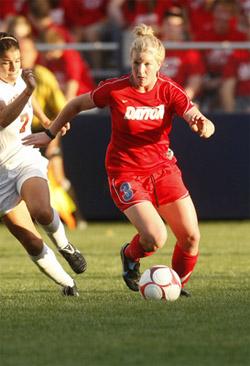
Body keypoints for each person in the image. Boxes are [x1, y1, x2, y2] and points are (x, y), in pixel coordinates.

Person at [23, 24, 215, 297]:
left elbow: (193, 114)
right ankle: (129, 254)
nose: (141, 70)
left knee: (191, 238)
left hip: (163, 170)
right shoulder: (116, 89)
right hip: (126, 172)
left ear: (159, 65)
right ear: (131, 62)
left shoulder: (169, 90)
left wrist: (203, 124)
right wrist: (50, 132)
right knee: (155, 238)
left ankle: (175, 286)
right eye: (136, 63)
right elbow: (76, 104)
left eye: (147, 64)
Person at [0, 32, 87, 296]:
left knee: (41, 210)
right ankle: (68, 284)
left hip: (25, 156)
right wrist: (28, 90)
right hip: (1, 173)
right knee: (30, 240)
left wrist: (48, 120)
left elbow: (31, 101)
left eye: (17, 60)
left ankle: (65, 246)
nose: (14, 67)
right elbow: (3, 119)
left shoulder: (21, 80)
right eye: (6, 62)